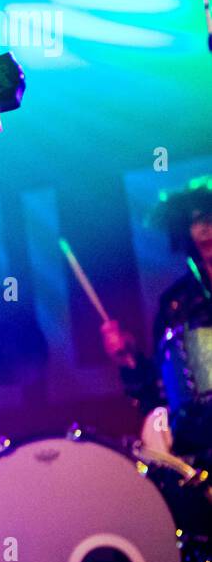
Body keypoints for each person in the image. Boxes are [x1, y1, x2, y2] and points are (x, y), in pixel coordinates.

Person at [100, 177, 212, 455]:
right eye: (196, 220)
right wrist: (131, 361)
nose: (205, 227)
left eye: (211, 216)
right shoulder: (176, 304)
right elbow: (161, 401)